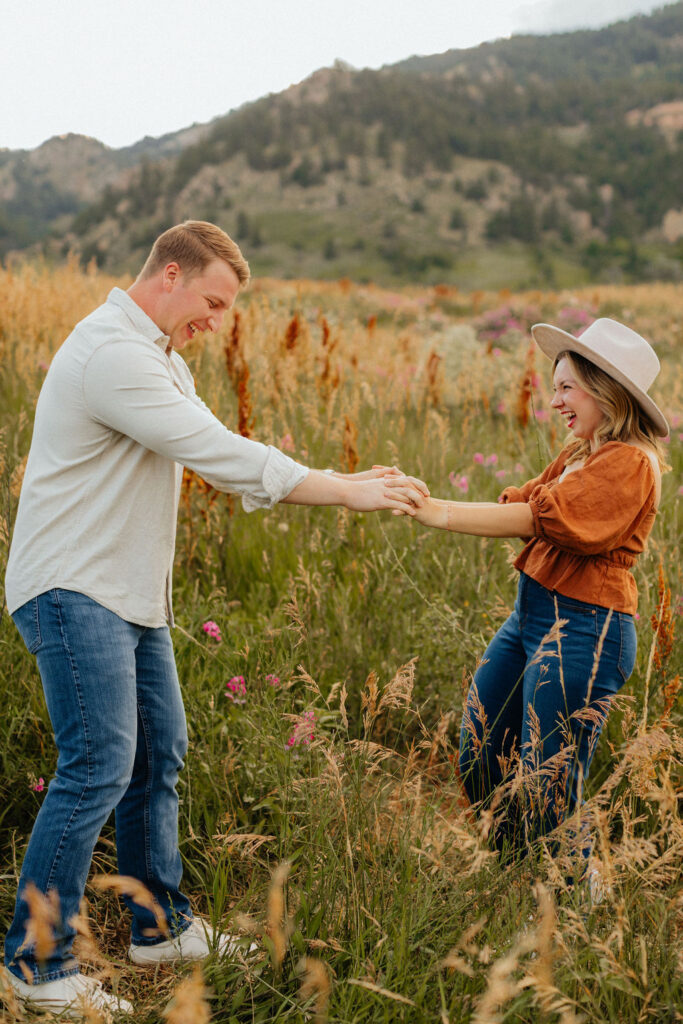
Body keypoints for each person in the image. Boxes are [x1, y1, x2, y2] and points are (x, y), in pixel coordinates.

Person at [3, 221, 426, 1017]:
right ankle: (35, 965)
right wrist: (344, 487)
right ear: (169, 273)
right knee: (96, 765)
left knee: (159, 752)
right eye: (212, 301)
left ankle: (156, 927)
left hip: (124, 590)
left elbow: (220, 446)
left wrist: (339, 476)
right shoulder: (114, 356)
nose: (217, 322)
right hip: (73, 588)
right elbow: (215, 452)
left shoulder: (157, 355)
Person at [386, 317, 668, 871]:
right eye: (555, 386)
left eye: (566, 387)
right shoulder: (578, 453)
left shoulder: (632, 463)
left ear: (605, 391)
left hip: (589, 628)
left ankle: (568, 902)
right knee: (480, 751)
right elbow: (527, 502)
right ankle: (519, 872)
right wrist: (429, 495)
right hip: (532, 617)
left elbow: (539, 517)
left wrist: (436, 513)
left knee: (550, 783)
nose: (556, 399)